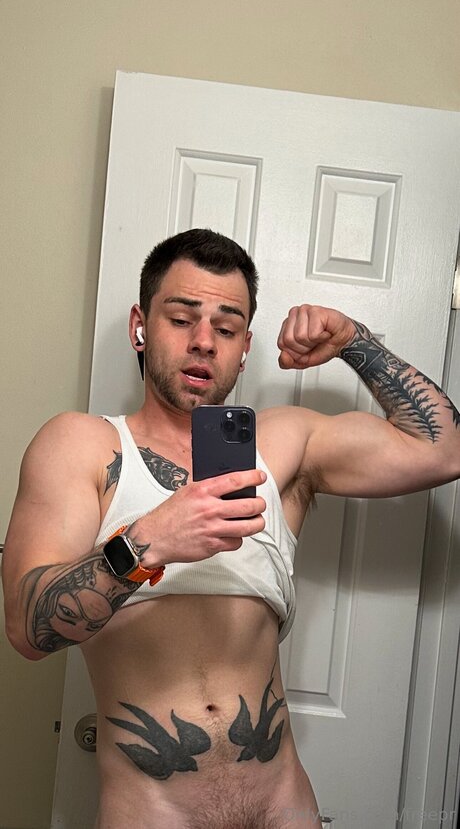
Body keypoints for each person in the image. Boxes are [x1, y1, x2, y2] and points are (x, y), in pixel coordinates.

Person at [3, 228, 460, 829]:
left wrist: (354, 341)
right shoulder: (82, 445)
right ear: (141, 326)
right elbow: (27, 629)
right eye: (181, 319)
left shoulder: (284, 442)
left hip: (283, 810)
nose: (203, 341)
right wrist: (147, 543)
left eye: (226, 328)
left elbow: (443, 450)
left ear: (245, 348)